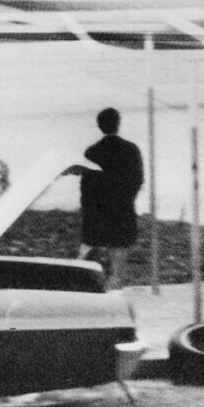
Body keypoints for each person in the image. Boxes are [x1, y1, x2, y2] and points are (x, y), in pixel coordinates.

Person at [77, 107, 145, 289]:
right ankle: (114, 288)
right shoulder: (131, 149)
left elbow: (86, 187)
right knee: (118, 259)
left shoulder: (91, 151)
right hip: (122, 208)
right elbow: (138, 179)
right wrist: (127, 199)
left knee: (91, 255)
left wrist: (90, 210)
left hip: (98, 211)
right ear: (118, 124)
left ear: (99, 126)